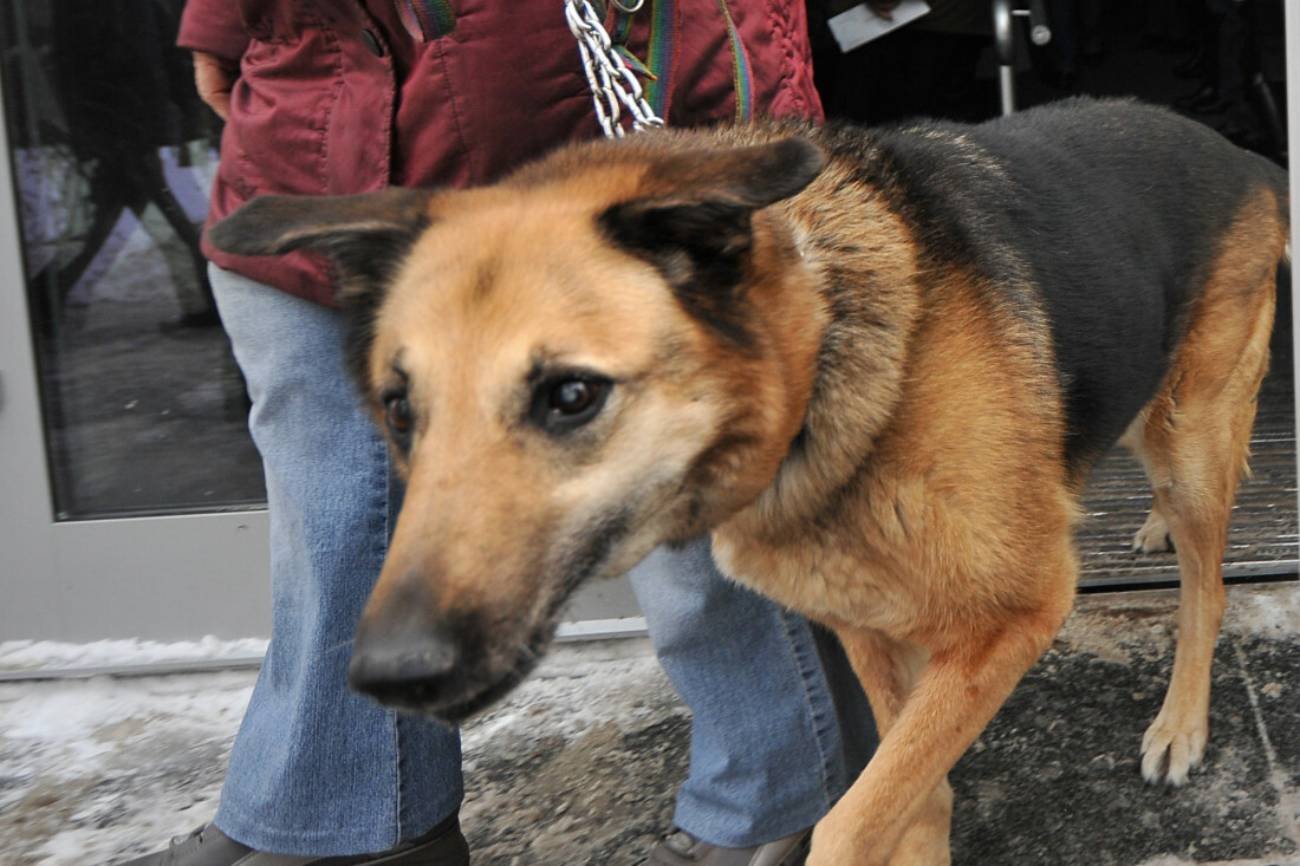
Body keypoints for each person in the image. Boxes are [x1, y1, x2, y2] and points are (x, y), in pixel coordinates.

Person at [114, 2, 873, 865]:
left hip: (574, 82)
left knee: (676, 501)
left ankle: (780, 801)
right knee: (336, 511)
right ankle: (352, 819)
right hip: (316, 99)